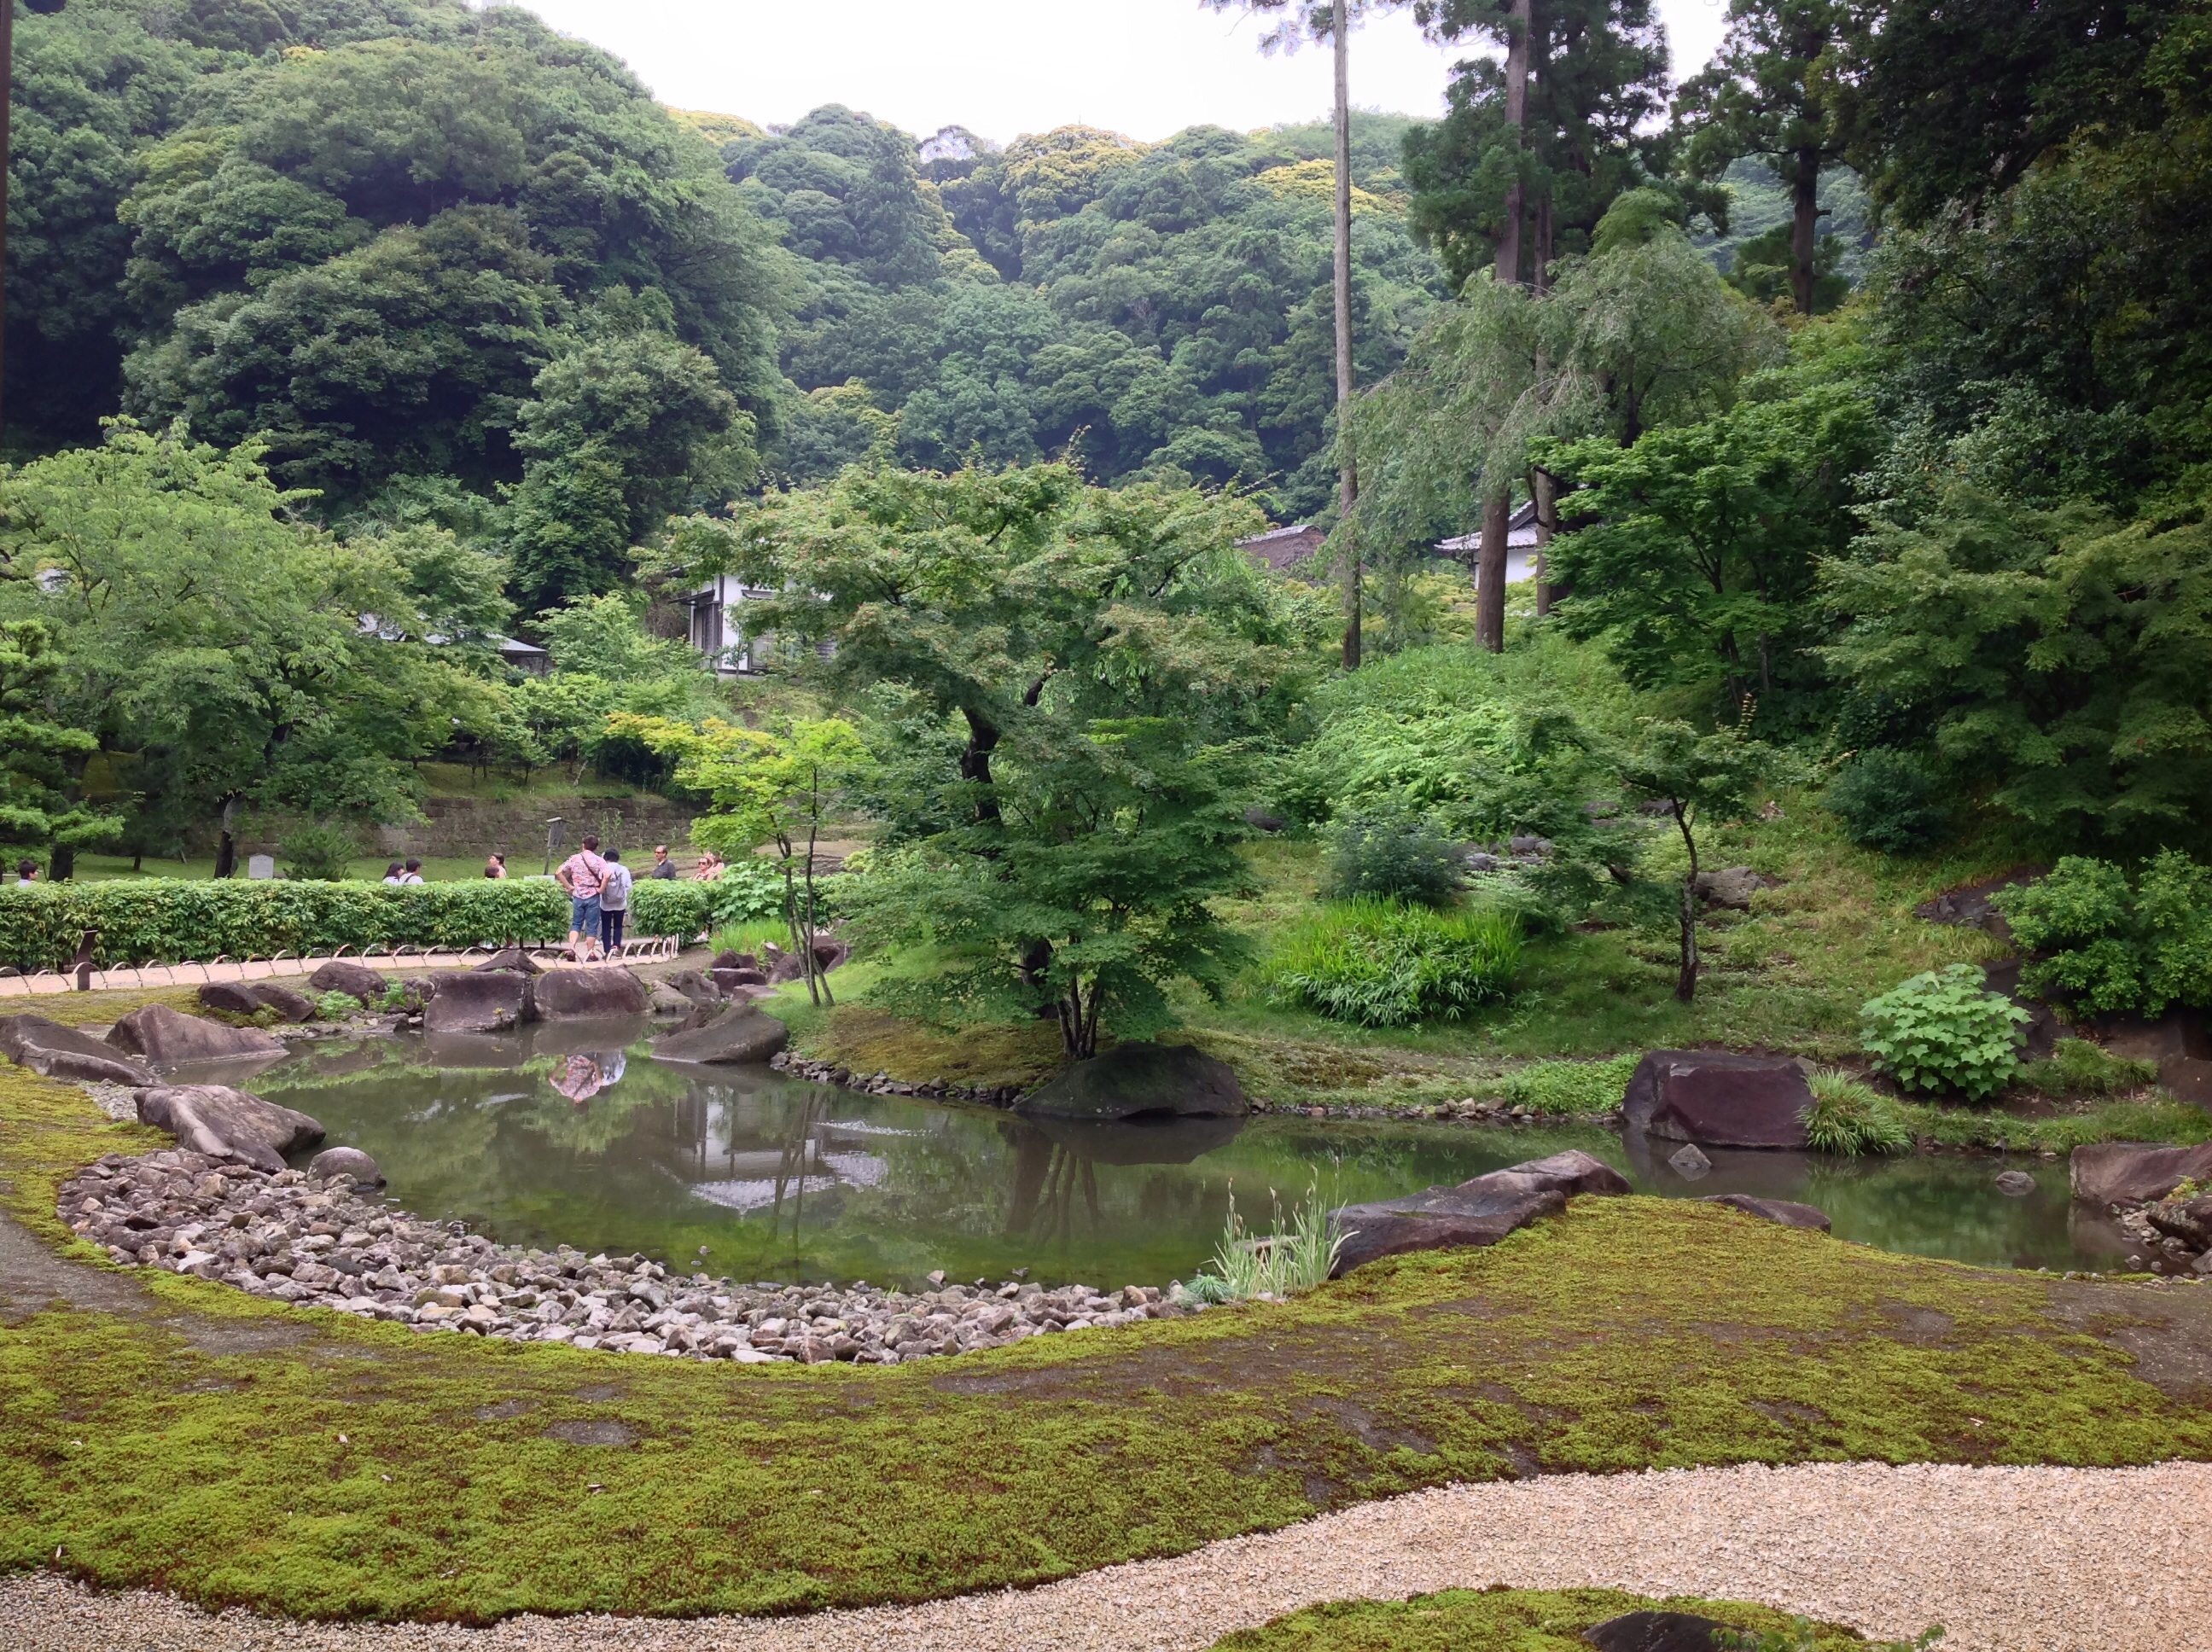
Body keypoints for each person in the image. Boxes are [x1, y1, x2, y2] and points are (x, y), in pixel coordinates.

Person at [554, 833, 608, 956]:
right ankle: (590, 953)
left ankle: (572, 948)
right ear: (596, 847)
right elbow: (608, 874)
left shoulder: (574, 858)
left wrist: (569, 887)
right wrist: (601, 889)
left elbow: (559, 872)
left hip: (577, 895)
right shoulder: (599, 860)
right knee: (592, 926)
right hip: (593, 895)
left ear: (583, 845)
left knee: (576, 924)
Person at [598, 848, 632, 953]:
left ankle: (607, 950)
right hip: (620, 903)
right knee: (618, 926)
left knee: (606, 926)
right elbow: (628, 886)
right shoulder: (623, 869)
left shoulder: (602, 870)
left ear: (606, 858)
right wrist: (623, 895)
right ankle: (616, 946)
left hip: (605, 904)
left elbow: (599, 885)